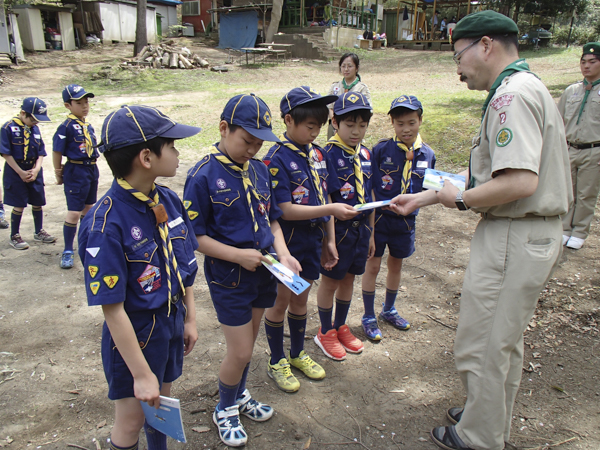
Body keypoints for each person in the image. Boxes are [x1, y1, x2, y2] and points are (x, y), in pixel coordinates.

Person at [389, 11, 571, 450]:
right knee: (502, 342)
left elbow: (519, 182)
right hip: (526, 232)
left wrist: (462, 200)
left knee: (484, 342)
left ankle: (478, 438)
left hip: (514, 235)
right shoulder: (525, 88)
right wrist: (426, 197)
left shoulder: (512, 97)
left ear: (485, 45)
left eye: (458, 55)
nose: (457, 68)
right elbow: (495, 174)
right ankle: (486, 416)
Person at [78, 105, 201, 450]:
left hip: (169, 324)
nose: (178, 152)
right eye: (172, 145)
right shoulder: (106, 223)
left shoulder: (169, 201)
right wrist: (141, 373)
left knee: (161, 407)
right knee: (131, 421)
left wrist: (189, 317)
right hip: (134, 339)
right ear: (146, 157)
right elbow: (112, 309)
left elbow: (183, 269)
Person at [183, 94, 301, 447]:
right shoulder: (203, 176)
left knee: (249, 343)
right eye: (246, 141)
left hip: (264, 270)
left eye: (259, 143)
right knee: (241, 351)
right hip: (230, 277)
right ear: (223, 128)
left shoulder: (262, 171)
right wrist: (237, 256)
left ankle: (239, 394)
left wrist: (284, 253)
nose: (253, 150)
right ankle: (224, 407)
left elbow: (272, 220)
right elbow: (195, 237)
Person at [262, 86, 359, 393]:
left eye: (319, 127)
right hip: (287, 246)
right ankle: (276, 359)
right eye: (309, 127)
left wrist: (330, 241)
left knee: (301, 299)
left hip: (312, 242)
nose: (315, 133)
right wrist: (330, 209)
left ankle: (296, 353)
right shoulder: (275, 158)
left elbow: (327, 192)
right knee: (280, 301)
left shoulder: (317, 154)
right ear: (288, 120)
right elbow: (284, 210)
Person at [360, 95, 435, 341]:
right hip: (380, 220)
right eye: (400, 123)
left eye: (411, 122)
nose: (406, 129)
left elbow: (431, 190)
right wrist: (368, 224)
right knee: (372, 265)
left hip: (406, 222)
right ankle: (369, 315)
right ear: (392, 122)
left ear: (420, 121)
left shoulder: (427, 154)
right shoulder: (381, 150)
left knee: (397, 264)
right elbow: (370, 186)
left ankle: (389, 309)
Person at [314, 92, 375, 361]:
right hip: (337, 231)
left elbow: (370, 196)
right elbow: (325, 197)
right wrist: (329, 240)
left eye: (362, 125)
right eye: (350, 124)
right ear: (335, 122)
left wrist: (371, 233)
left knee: (349, 278)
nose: (357, 131)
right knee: (331, 281)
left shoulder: (365, 154)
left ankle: (340, 325)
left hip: (361, 231)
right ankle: (324, 330)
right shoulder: (326, 154)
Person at [559, 42, 600, 250]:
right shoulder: (572, 91)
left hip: (594, 150)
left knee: (586, 193)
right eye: (583, 62)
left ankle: (580, 230)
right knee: (568, 190)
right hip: (570, 148)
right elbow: (559, 120)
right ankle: (564, 228)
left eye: (592, 62)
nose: (586, 66)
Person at [0, 97, 55, 250]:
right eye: (34, 119)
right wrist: (20, 172)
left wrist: (37, 169)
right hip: (16, 170)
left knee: (38, 201)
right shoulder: (8, 128)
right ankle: (15, 235)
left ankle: (39, 231)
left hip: (34, 170)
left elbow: (41, 152)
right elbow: (5, 153)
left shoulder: (34, 129)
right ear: (23, 113)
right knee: (19, 204)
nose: (36, 123)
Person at [53, 84, 99, 269]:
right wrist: (58, 172)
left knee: (88, 209)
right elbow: (57, 151)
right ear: (68, 105)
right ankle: (67, 250)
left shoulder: (88, 126)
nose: (84, 106)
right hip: (75, 171)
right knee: (73, 212)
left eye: (86, 102)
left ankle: (85, 243)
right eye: (79, 103)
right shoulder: (65, 127)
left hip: (91, 170)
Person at [327, 53, 371, 139]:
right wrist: (337, 124)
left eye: (350, 66)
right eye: (343, 66)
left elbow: (368, 111)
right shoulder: (335, 86)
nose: (346, 69)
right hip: (334, 126)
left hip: (354, 127)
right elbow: (329, 107)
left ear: (357, 68)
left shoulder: (362, 88)